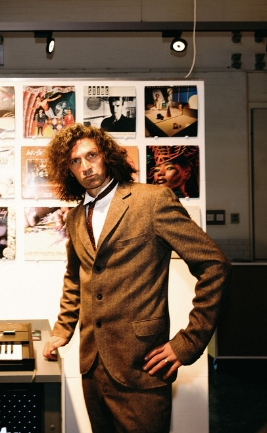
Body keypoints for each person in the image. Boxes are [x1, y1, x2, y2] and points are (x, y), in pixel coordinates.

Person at [42, 124, 230, 432]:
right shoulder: (76, 217)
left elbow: (214, 265)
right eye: (75, 161)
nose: (85, 166)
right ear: (68, 171)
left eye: (91, 155)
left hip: (142, 365)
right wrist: (63, 329)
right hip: (91, 367)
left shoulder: (152, 200)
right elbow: (76, 278)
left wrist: (188, 342)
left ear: (108, 157)